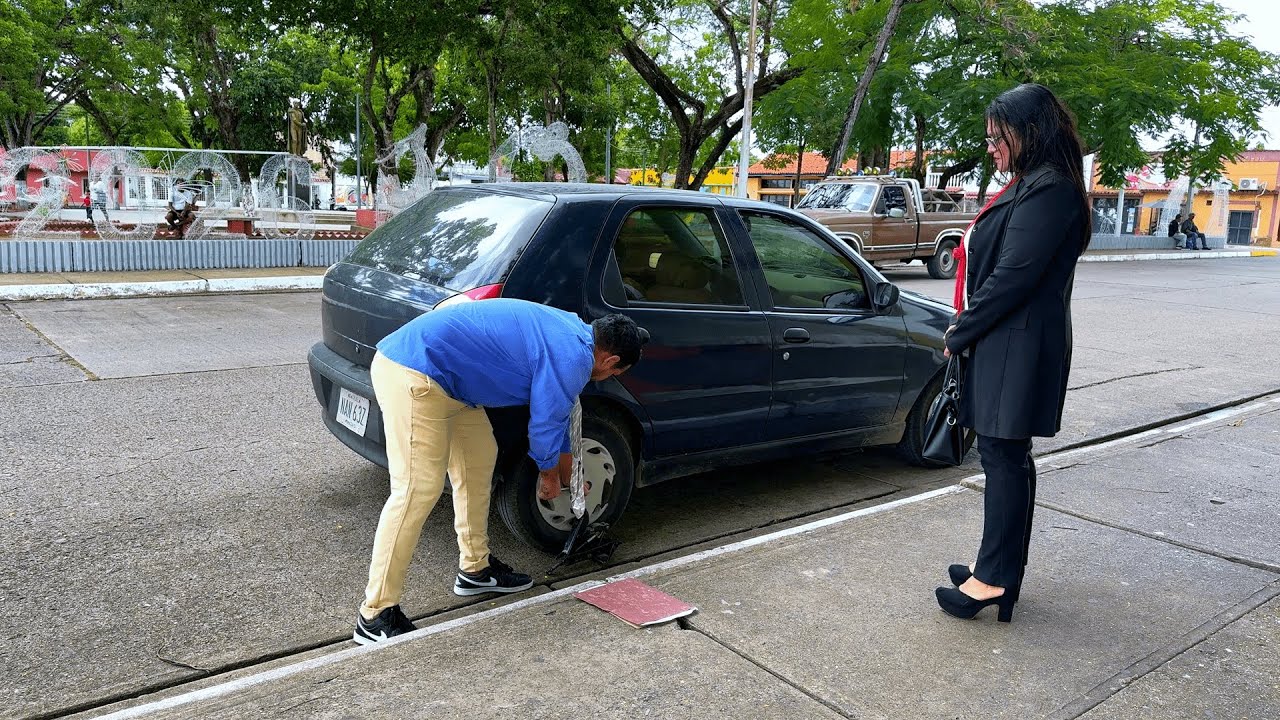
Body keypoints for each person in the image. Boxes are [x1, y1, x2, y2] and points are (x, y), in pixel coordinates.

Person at [353, 299, 647, 645]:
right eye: (615, 372)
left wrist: (568, 477)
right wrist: (549, 477)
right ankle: (375, 614)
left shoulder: (573, 332)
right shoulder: (574, 358)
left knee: (479, 462)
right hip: (416, 372)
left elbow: (560, 417)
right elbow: (544, 426)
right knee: (418, 490)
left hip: (452, 387)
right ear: (610, 360)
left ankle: (475, 568)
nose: (609, 378)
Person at [938, 83, 1089, 623]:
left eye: (997, 136)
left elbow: (1012, 278)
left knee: (1003, 460)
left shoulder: (1050, 189)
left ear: (1030, 132)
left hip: (1016, 345)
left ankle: (994, 579)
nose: (991, 147)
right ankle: (996, 568)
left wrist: (959, 331)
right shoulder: (1033, 184)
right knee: (1005, 459)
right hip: (1006, 341)